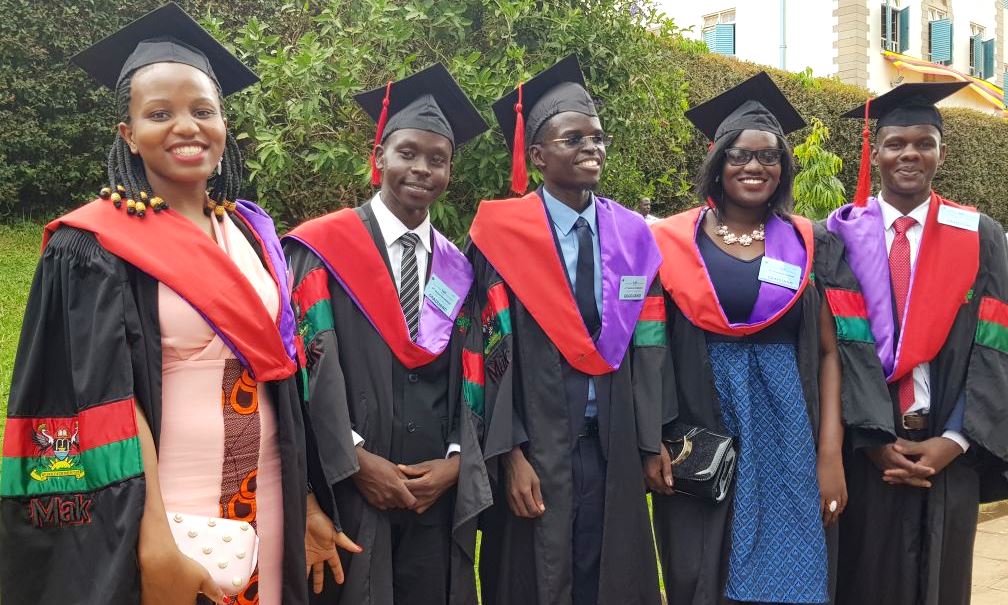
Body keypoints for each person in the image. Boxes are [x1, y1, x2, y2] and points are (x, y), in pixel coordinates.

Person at [0, 4, 357, 604]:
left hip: (268, 495)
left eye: (202, 110)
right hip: (164, 510)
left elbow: (279, 377)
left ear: (224, 123)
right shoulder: (94, 245)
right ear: (128, 134)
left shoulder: (251, 233)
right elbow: (102, 398)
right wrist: (153, 539)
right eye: (159, 113)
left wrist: (305, 500)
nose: (185, 127)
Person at [282, 63, 491, 605]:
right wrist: (352, 460)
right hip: (348, 487)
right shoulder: (321, 248)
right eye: (407, 153)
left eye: (437, 159)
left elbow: (472, 368)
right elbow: (309, 362)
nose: (421, 169)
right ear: (379, 159)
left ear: (450, 171)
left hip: (433, 495)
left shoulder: (459, 267)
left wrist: (455, 461)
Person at [467, 54, 664, 605]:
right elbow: (490, 350)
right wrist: (510, 454)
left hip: (614, 442)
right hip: (537, 445)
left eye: (598, 138)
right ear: (536, 156)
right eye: (573, 139)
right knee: (538, 573)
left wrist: (650, 440)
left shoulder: (632, 236)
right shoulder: (501, 237)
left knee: (611, 570)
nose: (591, 149)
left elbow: (649, 345)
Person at [648, 71, 847, 604]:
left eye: (767, 156)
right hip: (702, 413)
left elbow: (829, 352)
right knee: (703, 562)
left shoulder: (808, 241)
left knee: (792, 568)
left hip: (786, 423)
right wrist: (660, 435)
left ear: (783, 167)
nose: (753, 166)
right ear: (718, 164)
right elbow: (650, 347)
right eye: (738, 155)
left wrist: (829, 453)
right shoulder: (670, 240)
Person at [825, 82, 1008, 605]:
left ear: (941, 153)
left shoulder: (979, 233)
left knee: (942, 587)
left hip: (947, 448)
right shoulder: (837, 236)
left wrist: (957, 440)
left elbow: (996, 340)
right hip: (867, 449)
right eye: (896, 143)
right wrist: (872, 440)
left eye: (924, 142)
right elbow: (836, 347)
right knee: (863, 584)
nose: (910, 154)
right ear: (875, 152)